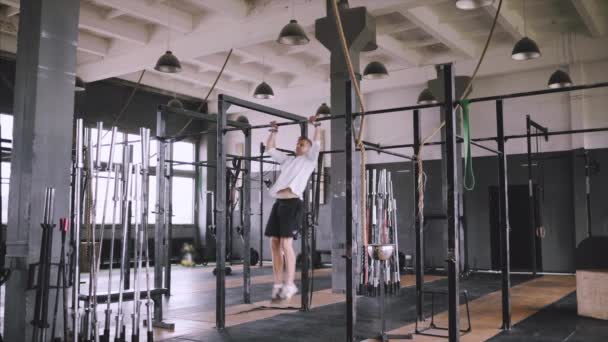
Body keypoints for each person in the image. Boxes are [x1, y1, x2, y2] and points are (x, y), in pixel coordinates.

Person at [265, 115, 321, 300]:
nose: (298, 146)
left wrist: (317, 126)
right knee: (274, 242)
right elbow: (270, 149)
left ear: (309, 149)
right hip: (278, 204)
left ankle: (290, 284)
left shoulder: (310, 161)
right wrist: (274, 131)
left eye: (303, 144)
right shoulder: (288, 160)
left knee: (286, 244)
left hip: (293, 204)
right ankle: (278, 283)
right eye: (298, 144)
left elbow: (318, 144)